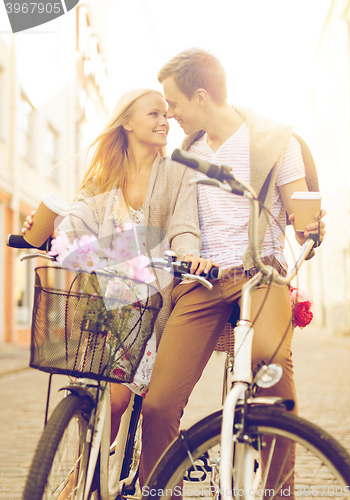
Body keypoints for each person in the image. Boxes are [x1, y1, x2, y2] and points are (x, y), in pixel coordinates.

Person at [139, 48, 326, 496]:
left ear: (201, 97)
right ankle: (162, 490)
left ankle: (278, 491)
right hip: (202, 283)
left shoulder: (277, 142)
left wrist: (310, 228)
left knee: (272, 367)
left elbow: (301, 216)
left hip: (259, 274)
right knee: (158, 404)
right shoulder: (188, 155)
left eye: (175, 105)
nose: (171, 116)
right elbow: (172, 219)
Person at [22, 88, 211, 499]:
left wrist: (188, 251)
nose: (164, 121)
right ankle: (85, 475)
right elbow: (76, 217)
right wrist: (53, 233)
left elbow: (184, 223)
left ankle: (81, 482)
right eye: (154, 113)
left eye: (166, 114)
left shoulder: (178, 171)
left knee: (119, 399)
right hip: (102, 301)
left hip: (151, 304)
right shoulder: (103, 174)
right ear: (126, 122)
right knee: (97, 397)